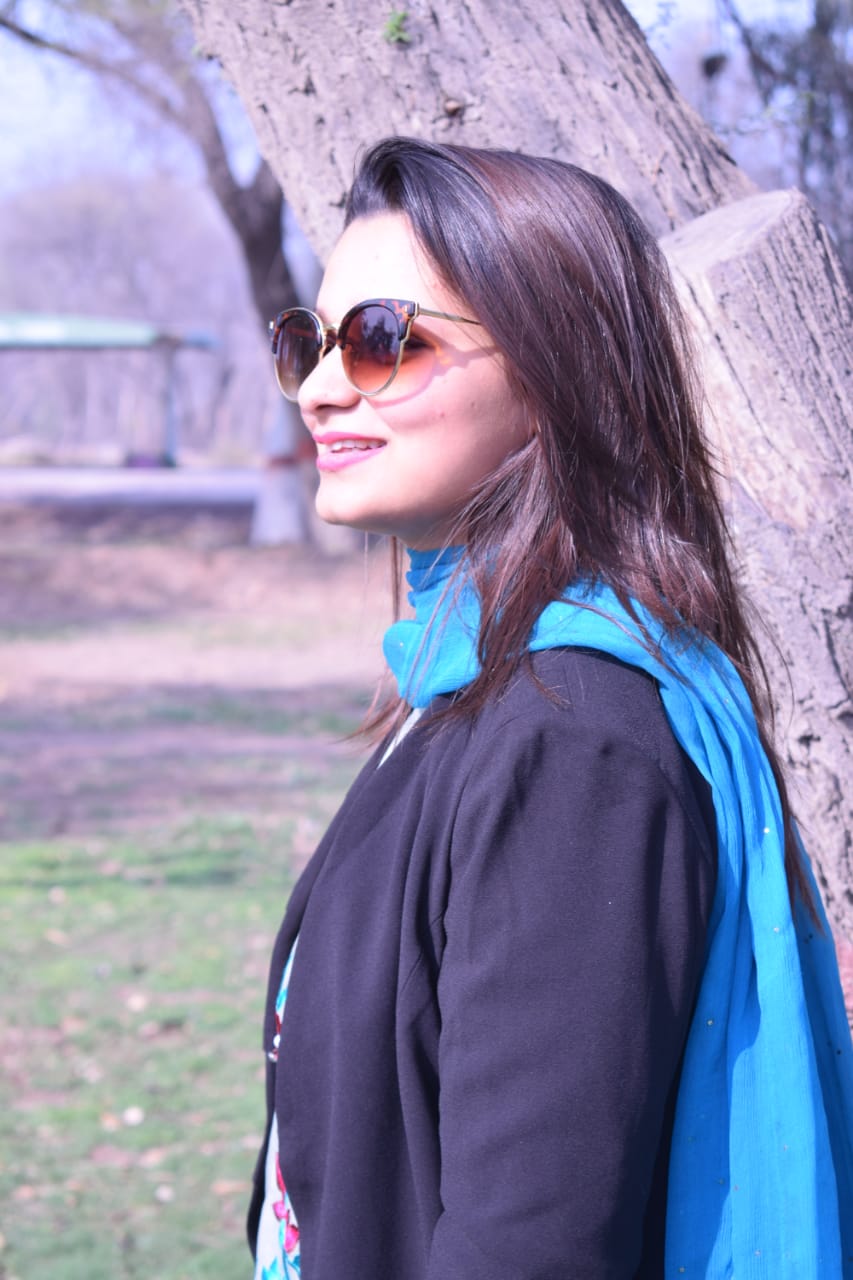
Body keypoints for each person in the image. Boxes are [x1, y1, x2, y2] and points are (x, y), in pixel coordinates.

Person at [251, 136, 853, 1279]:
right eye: (308, 342)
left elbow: (528, 1244)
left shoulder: (572, 736)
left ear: (551, 374)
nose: (321, 386)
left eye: (381, 339)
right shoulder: (464, 681)